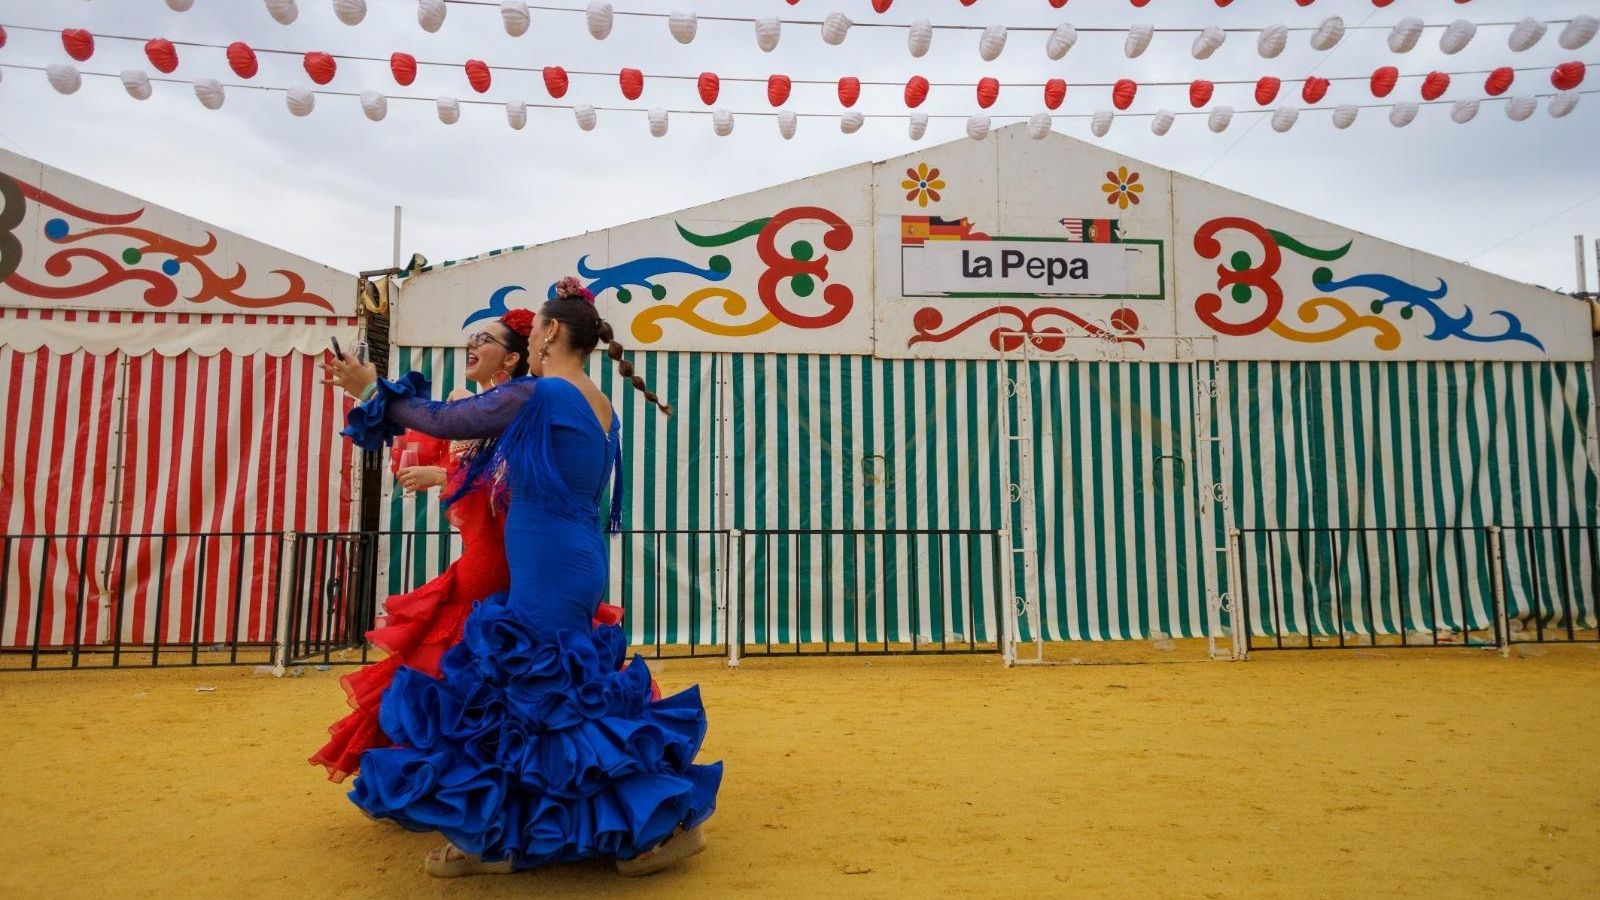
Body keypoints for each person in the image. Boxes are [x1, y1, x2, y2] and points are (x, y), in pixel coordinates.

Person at [321, 277, 719, 878]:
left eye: (532, 334)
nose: (529, 344)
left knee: (544, 690)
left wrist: (370, 388)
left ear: (552, 333)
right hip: (574, 555)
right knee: (544, 688)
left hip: (549, 561)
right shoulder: (597, 401)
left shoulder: (542, 394)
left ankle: (649, 832)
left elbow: (444, 419)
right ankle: (508, 836)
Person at [309, 315, 533, 781]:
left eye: (484, 339)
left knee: (471, 661)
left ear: (512, 357)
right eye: (469, 336)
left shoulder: (520, 402)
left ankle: (478, 778)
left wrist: (442, 474)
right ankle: (459, 776)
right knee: (464, 666)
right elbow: (443, 450)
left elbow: (514, 482)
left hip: (509, 555)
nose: (470, 344)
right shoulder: (463, 402)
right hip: (485, 551)